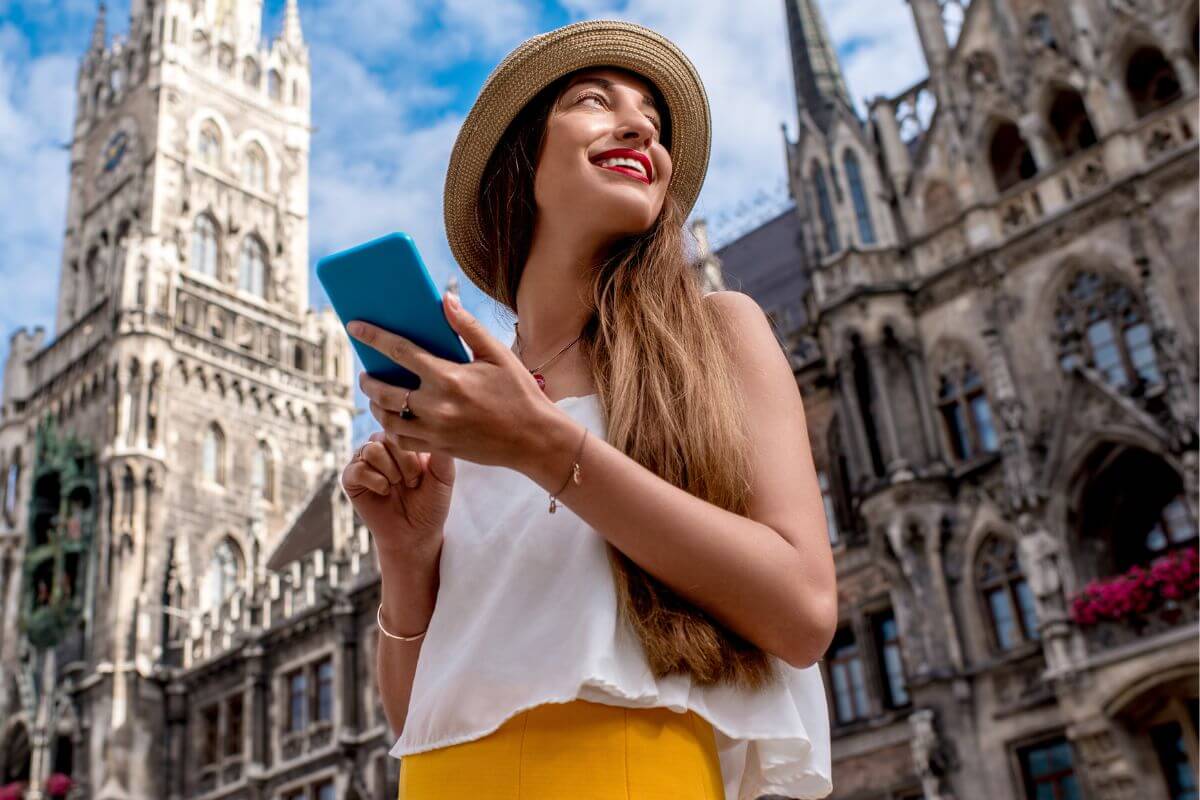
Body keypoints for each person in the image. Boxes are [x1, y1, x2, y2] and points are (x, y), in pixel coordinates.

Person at [342, 18, 836, 800]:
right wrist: (407, 559)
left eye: (652, 119)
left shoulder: (720, 333)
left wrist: (542, 445)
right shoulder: (465, 408)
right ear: (521, 161)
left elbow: (804, 612)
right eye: (594, 100)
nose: (640, 124)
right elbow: (420, 718)